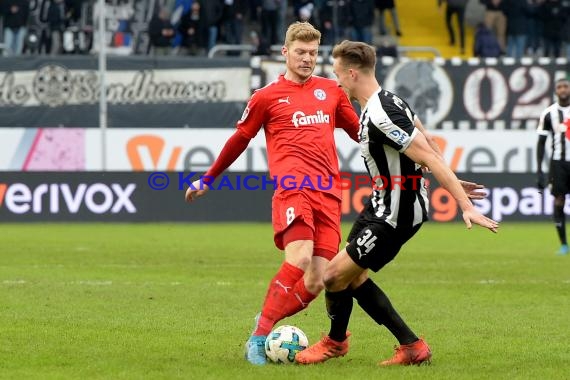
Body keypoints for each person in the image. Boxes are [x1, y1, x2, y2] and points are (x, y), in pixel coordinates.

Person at [295, 40, 499, 366]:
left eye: (337, 74)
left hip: (395, 214)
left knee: (333, 277)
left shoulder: (381, 114)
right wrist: (447, 173)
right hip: (381, 203)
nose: (336, 82)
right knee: (353, 275)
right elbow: (428, 140)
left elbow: (427, 152)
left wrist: (464, 204)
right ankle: (411, 346)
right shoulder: (389, 100)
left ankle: (336, 342)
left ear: (351, 73)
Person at [184, 22, 361, 365]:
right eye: (300, 52)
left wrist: (402, 159)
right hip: (293, 190)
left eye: (312, 53)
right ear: (285, 52)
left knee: (319, 279)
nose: (307, 59)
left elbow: (359, 133)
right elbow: (239, 140)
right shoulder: (266, 97)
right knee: (299, 259)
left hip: (328, 194)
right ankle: (259, 338)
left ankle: (264, 321)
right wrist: (208, 178)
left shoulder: (332, 91)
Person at [536, 77, 570, 256]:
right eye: (560, 87)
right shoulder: (549, 113)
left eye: (566, 86)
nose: (563, 89)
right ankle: (564, 244)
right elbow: (541, 143)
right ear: (556, 91)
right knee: (559, 201)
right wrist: (539, 170)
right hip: (558, 163)